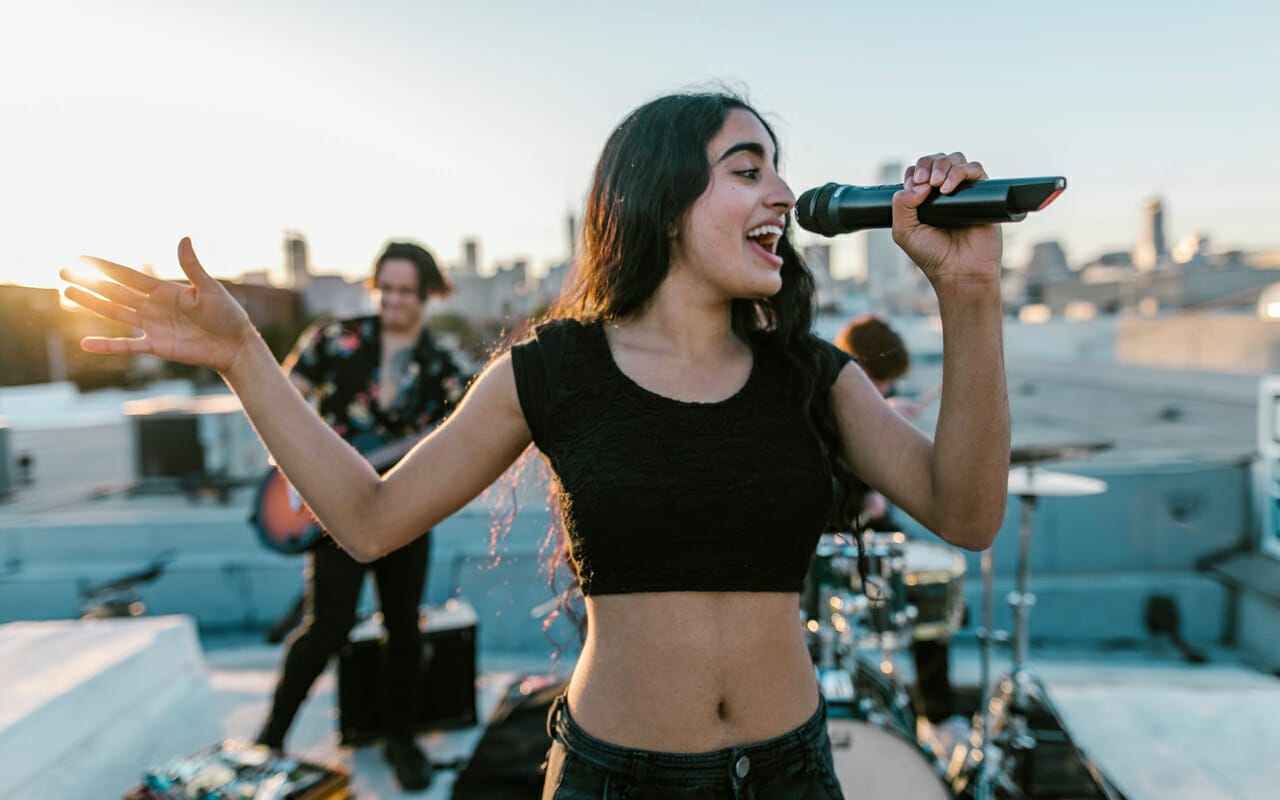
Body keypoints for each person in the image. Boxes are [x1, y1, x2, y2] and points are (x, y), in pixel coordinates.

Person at [62, 90, 1010, 799]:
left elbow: (967, 513)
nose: (787, 194)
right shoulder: (553, 370)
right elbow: (367, 518)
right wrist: (240, 355)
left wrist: (967, 297)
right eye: (749, 168)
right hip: (616, 779)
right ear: (660, 195)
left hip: (792, 773)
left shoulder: (808, 373)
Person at [264, 241, 465, 791]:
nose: (394, 301)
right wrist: (292, 468)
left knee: (403, 631)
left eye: (407, 291)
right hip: (331, 512)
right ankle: (270, 738)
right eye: (387, 289)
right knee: (326, 626)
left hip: (407, 513)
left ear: (426, 295)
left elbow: (460, 441)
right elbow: (282, 400)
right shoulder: (334, 338)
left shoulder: (442, 366)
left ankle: (402, 740)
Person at [834, 313, 965, 742]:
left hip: (870, 530)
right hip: (830, 536)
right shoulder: (825, 399)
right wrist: (883, 427)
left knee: (929, 583)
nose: (887, 390)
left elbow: (881, 495)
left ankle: (937, 718)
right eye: (880, 381)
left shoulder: (879, 400)